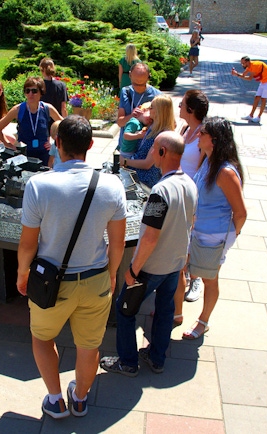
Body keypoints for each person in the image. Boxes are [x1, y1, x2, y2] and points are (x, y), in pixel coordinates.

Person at [17, 115, 127, 419]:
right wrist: (113, 274)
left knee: (41, 338)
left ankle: (55, 400)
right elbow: (117, 244)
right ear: (91, 145)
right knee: (89, 347)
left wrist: (22, 274)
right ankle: (79, 399)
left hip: (51, 282)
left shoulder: (39, 185)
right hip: (96, 280)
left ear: (57, 144)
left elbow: (27, 244)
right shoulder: (112, 184)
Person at [100, 131, 197, 376]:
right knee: (165, 312)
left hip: (150, 268)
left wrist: (132, 270)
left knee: (124, 310)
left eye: (154, 148)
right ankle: (157, 358)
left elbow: (150, 237)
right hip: (174, 265)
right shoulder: (190, 184)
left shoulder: (160, 192)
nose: (151, 152)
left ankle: (128, 362)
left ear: (163, 152)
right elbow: (191, 222)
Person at [182, 117, 247, 339]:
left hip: (214, 235)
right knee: (188, 271)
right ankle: (176, 313)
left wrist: (229, 237)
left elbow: (241, 212)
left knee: (210, 279)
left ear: (215, 140)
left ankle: (203, 322)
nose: (197, 135)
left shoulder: (225, 172)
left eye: (203, 133)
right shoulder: (208, 161)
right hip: (198, 230)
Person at [170, 89, 210, 325]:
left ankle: (195, 279)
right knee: (182, 242)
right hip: (179, 193)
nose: (179, 107)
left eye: (183, 104)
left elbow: (207, 168)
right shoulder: (185, 129)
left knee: (193, 242)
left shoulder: (205, 133)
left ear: (192, 109)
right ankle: (182, 279)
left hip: (195, 196)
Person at [0, 77, 63, 166]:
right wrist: (9, 145)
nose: (30, 94)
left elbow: (65, 126)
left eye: (34, 91)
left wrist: (55, 144)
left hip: (44, 154)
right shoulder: (18, 109)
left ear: (41, 92)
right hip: (24, 155)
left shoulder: (47, 108)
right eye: (27, 91)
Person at [120, 94, 175, 188]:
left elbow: (147, 164)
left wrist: (124, 161)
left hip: (144, 181)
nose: (149, 109)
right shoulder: (153, 125)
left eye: (151, 107)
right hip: (135, 172)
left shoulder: (162, 135)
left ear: (159, 111)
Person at [117, 62, 161, 149]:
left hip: (145, 147)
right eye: (135, 84)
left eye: (142, 84)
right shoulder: (125, 92)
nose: (138, 87)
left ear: (148, 77)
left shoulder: (158, 96)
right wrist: (132, 116)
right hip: (127, 145)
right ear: (130, 75)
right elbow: (120, 122)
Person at [232, 56, 267, 124]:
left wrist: (237, 75)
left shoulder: (255, 66)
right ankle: (251, 115)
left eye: (243, 63)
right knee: (257, 97)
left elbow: (249, 78)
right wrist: (236, 74)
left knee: (263, 99)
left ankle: (259, 117)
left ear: (247, 62)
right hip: (263, 81)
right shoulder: (249, 66)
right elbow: (243, 75)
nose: (242, 65)